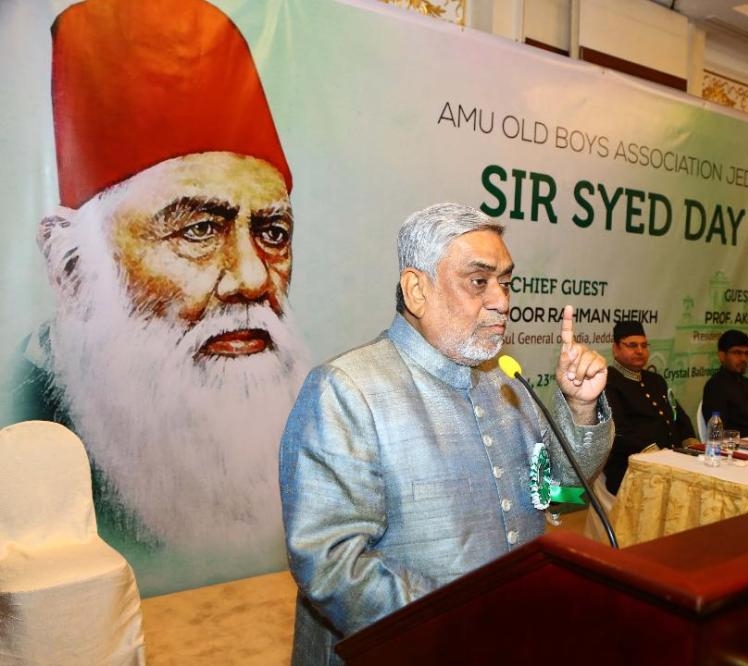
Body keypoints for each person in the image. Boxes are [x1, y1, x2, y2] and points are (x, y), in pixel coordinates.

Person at [5, 0, 310, 591]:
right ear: (71, 267)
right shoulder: (17, 443)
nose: (252, 278)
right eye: (198, 230)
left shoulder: (320, 423)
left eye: (272, 233)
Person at [279, 203, 612, 663]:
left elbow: (556, 498)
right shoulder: (347, 390)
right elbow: (331, 563)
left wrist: (579, 408)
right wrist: (465, 624)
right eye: (479, 281)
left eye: (506, 282)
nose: (502, 300)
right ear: (417, 290)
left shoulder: (507, 386)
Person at [602, 320, 698, 494]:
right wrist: (656, 455)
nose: (640, 351)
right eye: (632, 345)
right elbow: (618, 431)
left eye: (644, 345)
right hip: (632, 467)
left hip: (673, 461)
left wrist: (691, 441)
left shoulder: (656, 380)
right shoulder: (608, 382)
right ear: (615, 349)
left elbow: (678, 415)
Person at [701, 329, 748, 437]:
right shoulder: (715, 387)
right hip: (738, 449)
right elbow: (717, 432)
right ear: (722, 356)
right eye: (737, 353)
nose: (743, 358)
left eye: (746, 353)